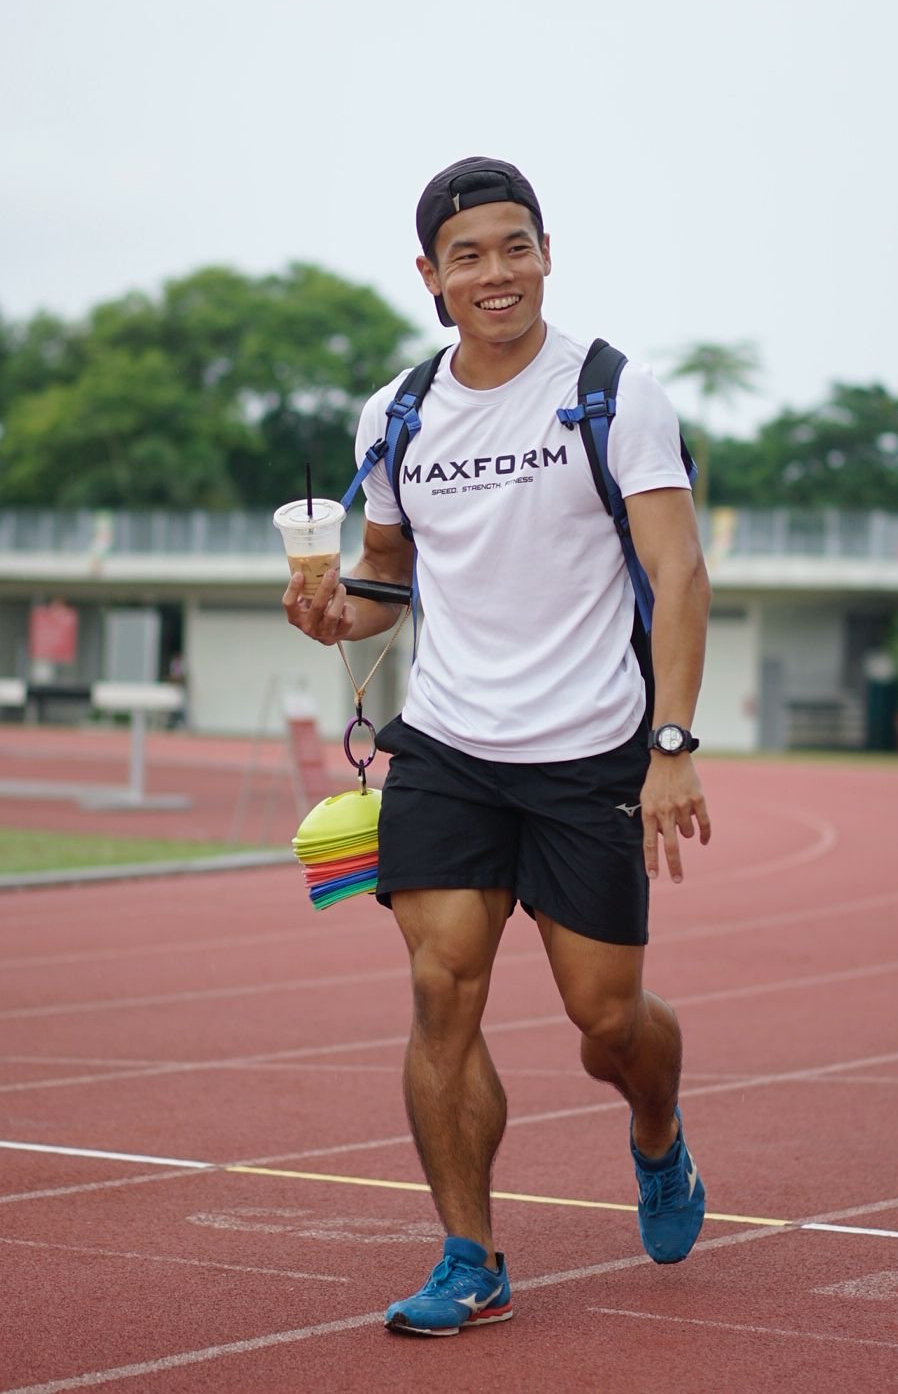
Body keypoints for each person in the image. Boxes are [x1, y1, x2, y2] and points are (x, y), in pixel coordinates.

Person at [283, 157, 713, 1337]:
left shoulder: (614, 391)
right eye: (467, 254)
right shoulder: (399, 410)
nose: (496, 272)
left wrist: (672, 739)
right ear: (430, 275)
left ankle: (660, 1133)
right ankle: (468, 1254)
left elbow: (678, 569)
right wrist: (336, 610)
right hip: (454, 746)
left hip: (588, 750)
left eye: (514, 246)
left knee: (607, 1020)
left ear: (546, 253)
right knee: (440, 990)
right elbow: (385, 584)